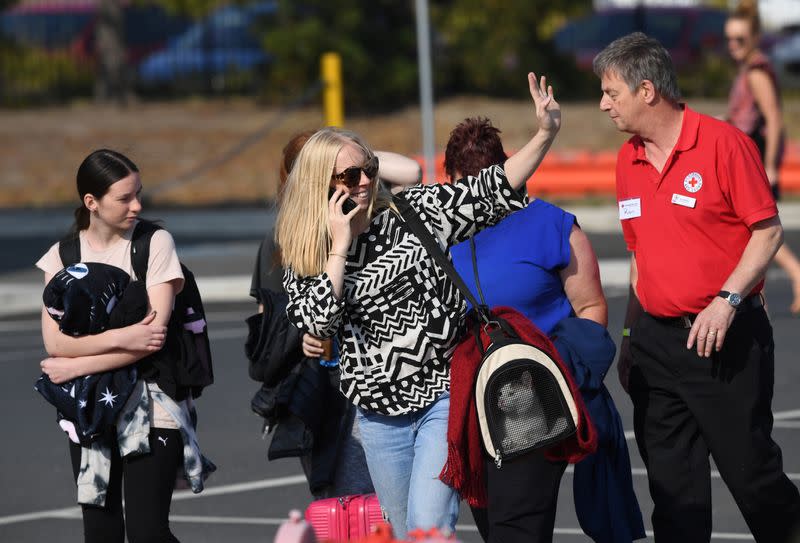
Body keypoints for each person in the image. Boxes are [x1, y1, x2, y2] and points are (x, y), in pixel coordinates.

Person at [275, 72, 560, 539]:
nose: (366, 181)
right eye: (350, 175)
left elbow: (491, 190)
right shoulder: (307, 251)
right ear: (320, 183)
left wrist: (545, 134)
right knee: (404, 530)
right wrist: (340, 249)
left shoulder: (412, 212)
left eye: (369, 168)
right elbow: (317, 321)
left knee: (431, 525)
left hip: (443, 396)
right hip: (378, 413)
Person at [594, 32, 800, 542]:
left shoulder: (724, 144)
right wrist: (628, 339)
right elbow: (640, 257)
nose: (603, 105)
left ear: (647, 90)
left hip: (724, 340)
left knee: (752, 476)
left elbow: (768, 230)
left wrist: (726, 301)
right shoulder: (628, 160)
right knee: (673, 494)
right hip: (655, 347)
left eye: (610, 93)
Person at [445, 118, 643, 543]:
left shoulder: (552, 224)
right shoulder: (439, 237)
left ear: (506, 172)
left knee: (518, 530)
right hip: (469, 405)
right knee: (498, 529)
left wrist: (558, 377)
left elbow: (590, 307)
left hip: (538, 398)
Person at [36, 149, 207, 543]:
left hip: (152, 402)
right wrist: (121, 337)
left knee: (148, 532)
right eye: (124, 198)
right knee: (100, 532)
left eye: (139, 194)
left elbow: (153, 336)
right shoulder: (63, 257)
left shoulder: (154, 242)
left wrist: (78, 365)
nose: (138, 206)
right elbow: (55, 343)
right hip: (92, 407)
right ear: (91, 203)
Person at [249, 131, 421, 500]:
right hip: (320, 384)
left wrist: (353, 153)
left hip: (368, 378)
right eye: (337, 173)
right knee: (342, 498)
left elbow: (412, 171)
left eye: (354, 172)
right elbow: (268, 324)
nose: (354, 181)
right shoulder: (285, 238)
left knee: (383, 496)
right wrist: (302, 336)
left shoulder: (365, 219)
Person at [725, 0, 800, 315]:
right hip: (750, 157)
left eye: (740, 39)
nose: (733, 46)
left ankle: (796, 274)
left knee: (757, 230)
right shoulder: (750, 68)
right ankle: (761, 299)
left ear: (755, 38)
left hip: (755, 161)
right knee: (752, 232)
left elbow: (773, 119)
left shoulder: (756, 71)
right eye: (729, 39)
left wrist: (770, 167)